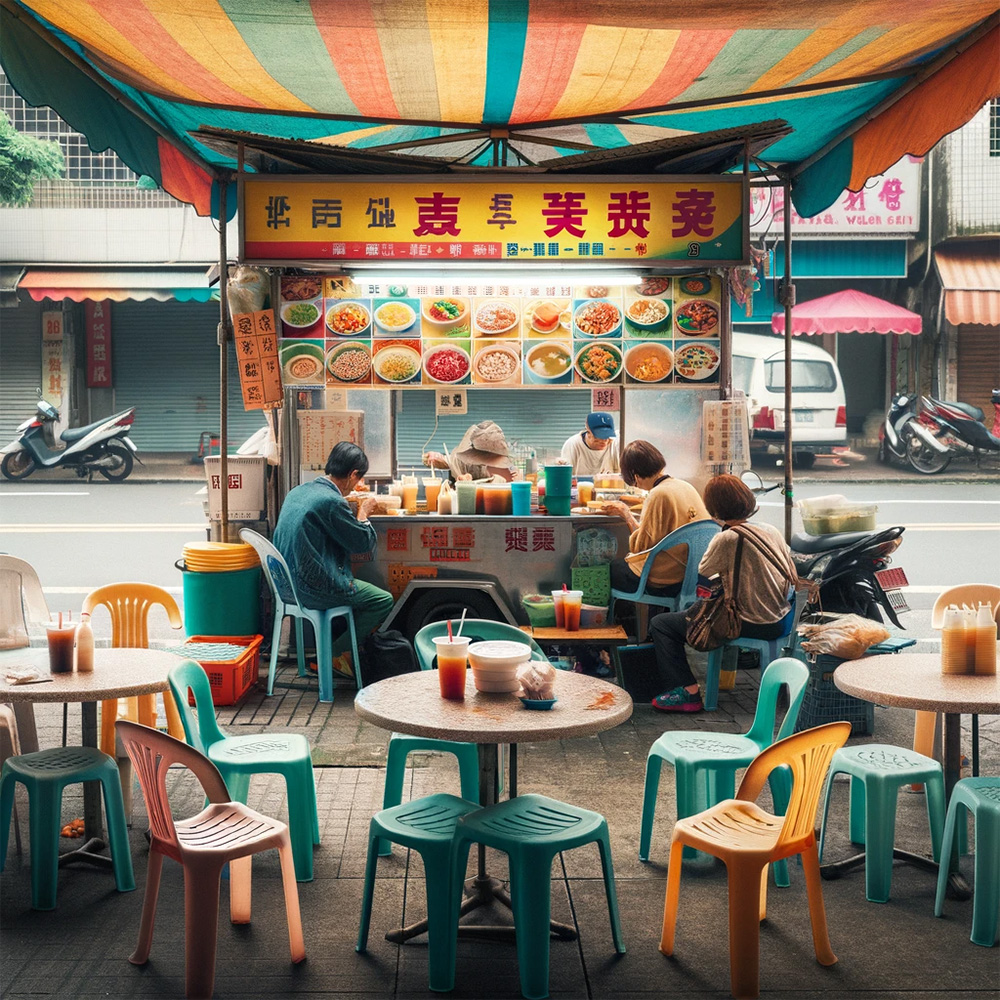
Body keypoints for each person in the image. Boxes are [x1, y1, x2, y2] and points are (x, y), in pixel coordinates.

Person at [648, 474, 798, 713]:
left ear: (714, 509)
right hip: (782, 619)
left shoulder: (727, 537)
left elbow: (705, 574)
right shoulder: (770, 530)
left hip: (752, 622)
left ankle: (688, 692)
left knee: (662, 624)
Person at [273, 441, 394, 676]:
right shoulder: (331, 502)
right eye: (358, 479)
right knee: (382, 600)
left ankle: (344, 655)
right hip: (312, 587)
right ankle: (333, 655)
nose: (357, 485)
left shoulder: (299, 491)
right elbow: (362, 544)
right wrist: (364, 512)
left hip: (286, 585)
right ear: (353, 475)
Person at [603, 440, 709, 603]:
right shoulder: (684, 485)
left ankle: (624, 624)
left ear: (634, 475)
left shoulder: (658, 495)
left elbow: (641, 547)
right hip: (692, 574)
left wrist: (626, 514)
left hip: (666, 580)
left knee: (611, 569)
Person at [423, 419, 516, 481]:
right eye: (430, 460)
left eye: (432, 454)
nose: (434, 457)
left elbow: (509, 464)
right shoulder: (459, 461)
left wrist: (513, 470)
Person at [559, 411, 620, 477]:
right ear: (588, 432)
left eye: (607, 435)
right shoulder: (573, 445)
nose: (604, 440)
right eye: (599, 436)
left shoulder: (615, 443)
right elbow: (565, 476)